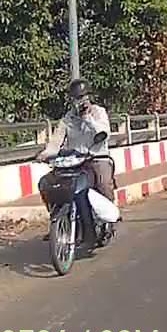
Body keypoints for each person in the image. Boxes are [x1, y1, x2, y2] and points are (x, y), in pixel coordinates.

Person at [37, 79, 117, 232]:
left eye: (82, 97)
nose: (79, 101)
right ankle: (57, 219)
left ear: (89, 97)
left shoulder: (99, 112)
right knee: (46, 184)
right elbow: (56, 141)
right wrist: (45, 154)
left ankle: (107, 221)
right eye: (76, 98)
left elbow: (104, 132)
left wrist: (87, 118)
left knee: (103, 183)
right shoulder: (68, 118)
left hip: (96, 158)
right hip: (73, 161)